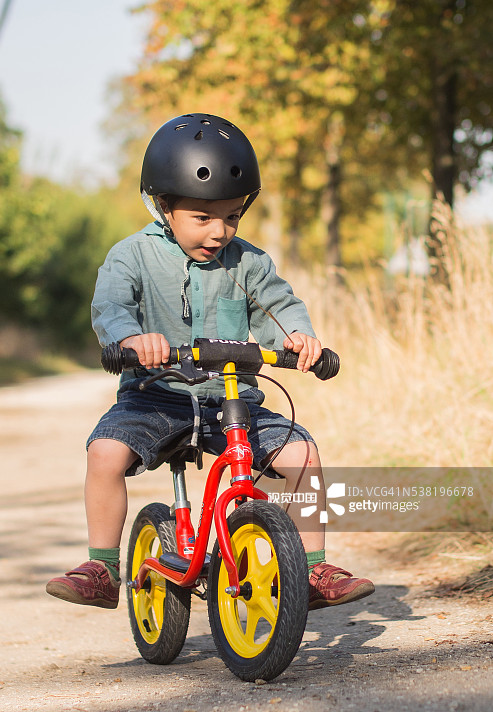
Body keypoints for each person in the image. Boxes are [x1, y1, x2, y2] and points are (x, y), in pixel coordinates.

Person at [46, 113, 374, 611]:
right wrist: (131, 339)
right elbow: (111, 306)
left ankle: (311, 569)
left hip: (232, 401)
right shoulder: (132, 256)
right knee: (105, 453)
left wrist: (298, 337)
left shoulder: (250, 262)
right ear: (164, 206)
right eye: (203, 218)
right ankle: (104, 568)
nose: (220, 232)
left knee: (303, 455)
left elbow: (278, 306)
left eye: (232, 216)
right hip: (156, 395)